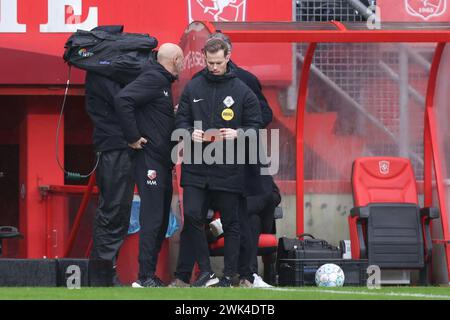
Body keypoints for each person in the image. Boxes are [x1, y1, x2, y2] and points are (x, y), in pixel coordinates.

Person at [171, 32, 275, 288]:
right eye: (210, 62)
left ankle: (230, 276)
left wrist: (237, 133)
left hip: (229, 166)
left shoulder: (243, 89)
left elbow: (256, 126)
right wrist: (187, 132)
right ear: (204, 59)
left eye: (218, 62)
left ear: (228, 57)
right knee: (193, 215)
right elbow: (181, 119)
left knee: (231, 222)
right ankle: (205, 272)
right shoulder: (194, 86)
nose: (214, 67)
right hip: (196, 164)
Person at [114, 43, 184, 287]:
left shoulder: (162, 82)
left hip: (162, 160)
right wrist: (132, 136)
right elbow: (123, 99)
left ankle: (149, 275)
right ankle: (144, 277)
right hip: (149, 160)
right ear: (175, 59)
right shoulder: (154, 78)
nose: (184, 65)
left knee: (161, 219)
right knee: (153, 217)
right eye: (182, 60)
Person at [85, 71, 135, 287]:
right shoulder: (103, 76)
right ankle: (103, 274)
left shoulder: (96, 73)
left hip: (113, 145)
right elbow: (123, 100)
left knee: (114, 210)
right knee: (113, 210)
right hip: (116, 146)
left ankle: (102, 273)